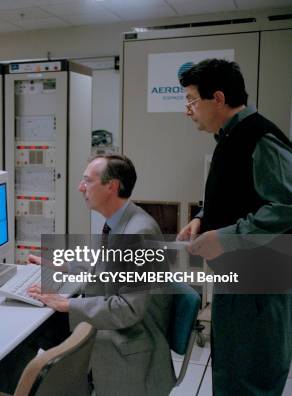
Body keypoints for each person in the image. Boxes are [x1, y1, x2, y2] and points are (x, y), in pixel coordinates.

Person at [177, 58, 292, 395]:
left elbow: (287, 205)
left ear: (218, 98)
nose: (189, 111)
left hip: (259, 285)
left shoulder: (260, 137)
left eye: (192, 101)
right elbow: (243, 195)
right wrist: (202, 218)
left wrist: (227, 237)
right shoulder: (230, 137)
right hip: (239, 279)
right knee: (231, 369)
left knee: (249, 376)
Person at [27, 154, 175, 396]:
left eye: (87, 180)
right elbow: (103, 269)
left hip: (131, 342)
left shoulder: (138, 234)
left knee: (35, 334)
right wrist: (58, 265)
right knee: (40, 327)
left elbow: (128, 309)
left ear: (111, 186)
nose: (80, 187)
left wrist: (67, 303)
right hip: (123, 327)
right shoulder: (121, 221)